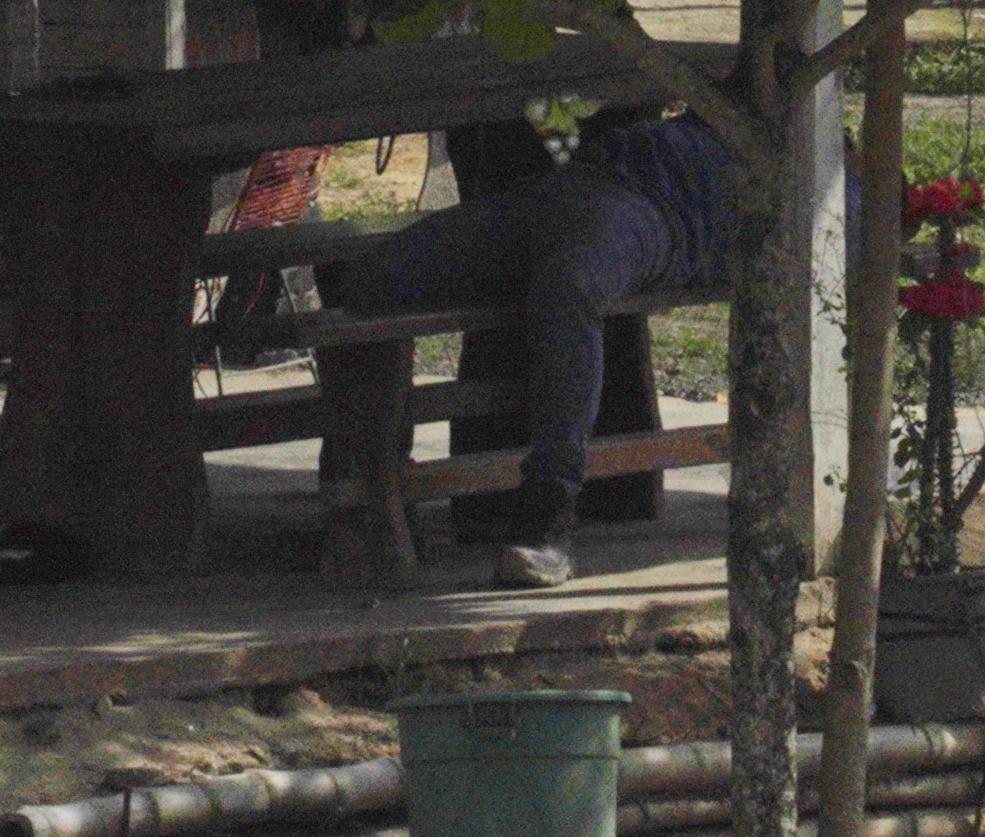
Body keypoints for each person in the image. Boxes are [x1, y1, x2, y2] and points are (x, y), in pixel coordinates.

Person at [314, 89, 733, 583]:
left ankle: (546, 517)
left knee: (567, 291)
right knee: (362, 280)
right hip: (565, 188)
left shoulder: (805, 169)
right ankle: (376, 492)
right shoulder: (694, 122)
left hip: (650, 215)